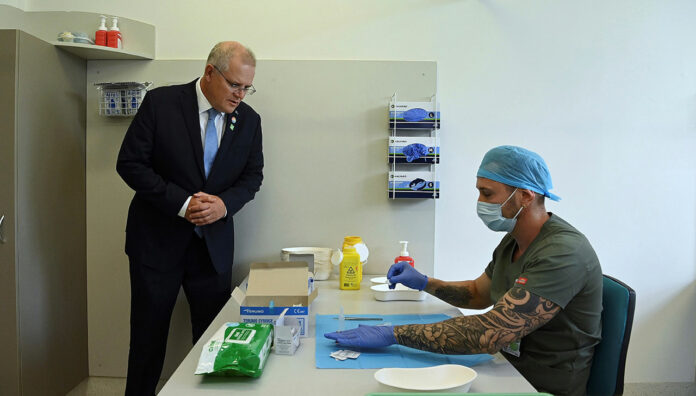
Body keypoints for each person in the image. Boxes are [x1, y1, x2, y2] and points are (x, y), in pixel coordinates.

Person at [325, 145, 602, 396]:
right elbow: (477, 294)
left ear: (526, 196)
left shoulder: (564, 252)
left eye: (488, 193)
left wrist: (394, 334)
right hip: (505, 364)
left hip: (540, 382)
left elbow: (493, 331)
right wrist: (423, 282)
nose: (480, 202)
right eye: (479, 192)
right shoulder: (514, 241)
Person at [116, 41, 263, 396]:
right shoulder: (161, 104)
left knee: (213, 343)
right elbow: (130, 164)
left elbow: (252, 177)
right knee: (147, 344)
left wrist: (223, 206)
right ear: (210, 72)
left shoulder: (249, 121)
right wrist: (183, 204)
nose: (240, 95)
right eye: (234, 85)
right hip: (156, 246)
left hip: (211, 252)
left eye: (247, 87)